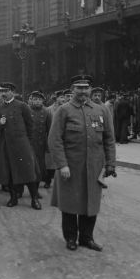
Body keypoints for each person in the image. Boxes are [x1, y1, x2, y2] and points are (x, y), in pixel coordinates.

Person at [49, 74, 116, 251]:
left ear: (91, 90)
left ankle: (87, 238)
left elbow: (109, 139)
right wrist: (62, 164)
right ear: (72, 90)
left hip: (94, 167)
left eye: (86, 87)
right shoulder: (63, 110)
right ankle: (71, 238)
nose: (83, 91)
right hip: (71, 166)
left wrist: (110, 164)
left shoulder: (101, 110)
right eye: (79, 87)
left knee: (91, 203)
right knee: (70, 203)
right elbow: (54, 140)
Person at [0, 82, 41, 210]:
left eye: (6, 90)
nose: (4, 93)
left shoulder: (22, 106)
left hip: (22, 144)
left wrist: (27, 142)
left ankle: (34, 198)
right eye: (2, 90)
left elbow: (30, 125)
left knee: (29, 171)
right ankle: (13, 198)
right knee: (10, 173)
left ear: (13, 92)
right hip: (6, 145)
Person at [29, 91, 53, 196]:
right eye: (35, 99)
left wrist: (48, 145)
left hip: (40, 145)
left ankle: (35, 190)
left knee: (39, 168)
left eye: (39, 99)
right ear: (31, 100)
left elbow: (50, 130)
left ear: (43, 101)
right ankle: (19, 191)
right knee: (26, 167)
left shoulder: (47, 112)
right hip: (28, 144)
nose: (37, 101)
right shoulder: (26, 110)